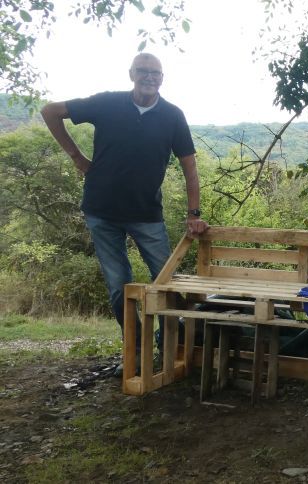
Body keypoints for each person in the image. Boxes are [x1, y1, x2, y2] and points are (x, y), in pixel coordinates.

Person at [40, 53, 209, 374]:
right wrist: (77, 157)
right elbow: (50, 112)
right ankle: (135, 349)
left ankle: (167, 343)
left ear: (163, 78)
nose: (149, 77)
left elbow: (190, 167)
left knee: (168, 281)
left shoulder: (172, 116)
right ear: (131, 73)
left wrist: (194, 213)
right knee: (119, 285)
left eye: (155, 73)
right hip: (101, 211)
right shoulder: (107, 103)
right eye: (143, 71)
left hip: (147, 214)